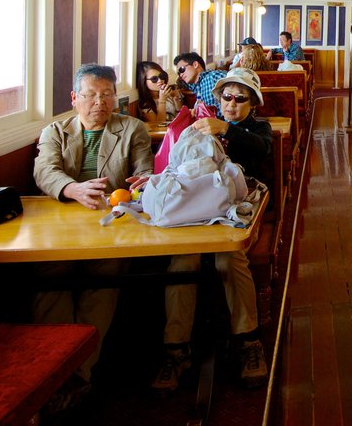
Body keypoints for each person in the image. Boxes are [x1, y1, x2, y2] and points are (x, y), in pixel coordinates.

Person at [32, 63, 154, 411]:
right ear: (75, 98)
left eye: (106, 95)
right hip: (62, 225)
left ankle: (79, 373)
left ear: (116, 98)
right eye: (90, 95)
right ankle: (54, 369)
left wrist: (141, 184)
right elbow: (45, 171)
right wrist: (72, 188)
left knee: (104, 279)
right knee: (49, 279)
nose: (99, 102)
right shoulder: (55, 131)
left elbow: (144, 170)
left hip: (112, 223)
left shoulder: (133, 130)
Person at [153, 67, 272, 392]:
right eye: (226, 97)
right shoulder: (199, 129)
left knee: (228, 259)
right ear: (218, 99)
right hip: (196, 210)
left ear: (252, 104)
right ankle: (176, 348)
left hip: (239, 212)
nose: (232, 104)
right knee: (183, 261)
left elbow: (263, 150)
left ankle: (248, 341)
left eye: (240, 98)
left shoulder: (259, 128)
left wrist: (228, 132)